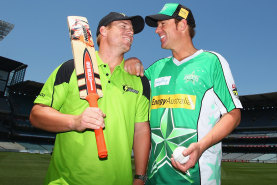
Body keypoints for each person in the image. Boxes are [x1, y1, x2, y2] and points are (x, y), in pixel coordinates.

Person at [125, 3, 242, 185]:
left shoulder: (212, 62)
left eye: (163, 24)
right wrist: (132, 62)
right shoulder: (155, 69)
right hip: (154, 179)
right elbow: (130, 98)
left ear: (182, 25)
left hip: (198, 179)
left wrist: (201, 146)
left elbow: (233, 114)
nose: (157, 30)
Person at [30, 12, 150, 185]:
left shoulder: (140, 80)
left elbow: (141, 131)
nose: (130, 33)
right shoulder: (71, 68)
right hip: (66, 181)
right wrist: (75, 122)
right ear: (104, 31)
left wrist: (140, 177)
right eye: (123, 27)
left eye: (132, 30)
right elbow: (36, 114)